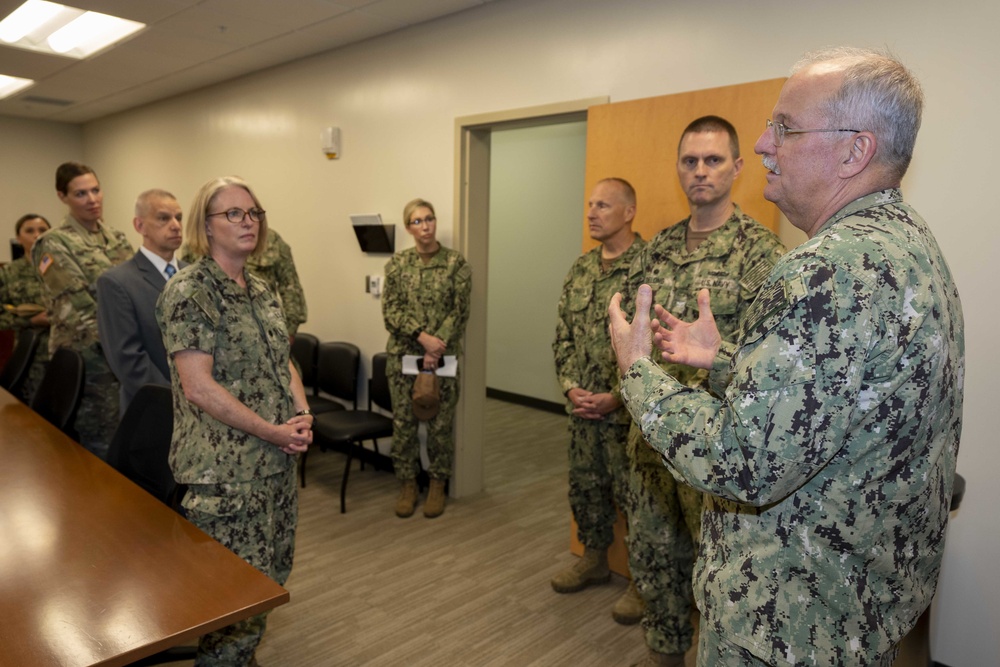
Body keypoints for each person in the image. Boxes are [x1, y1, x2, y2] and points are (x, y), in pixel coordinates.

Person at [608, 47, 964, 667]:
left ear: (855, 151)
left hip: (788, 622)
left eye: (785, 128)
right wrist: (726, 362)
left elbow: (741, 459)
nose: (763, 143)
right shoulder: (906, 245)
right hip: (854, 612)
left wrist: (638, 371)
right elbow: (830, 401)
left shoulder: (825, 269)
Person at [620, 116, 785, 667]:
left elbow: (768, 365)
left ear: (737, 167)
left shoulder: (762, 254)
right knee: (651, 558)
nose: (700, 171)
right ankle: (663, 652)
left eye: (713, 160)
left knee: (717, 572)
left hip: (714, 447)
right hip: (649, 440)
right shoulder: (657, 247)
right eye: (690, 161)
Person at [157, 175, 312, 665]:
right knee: (229, 603)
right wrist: (274, 432)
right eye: (234, 214)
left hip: (275, 465)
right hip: (226, 477)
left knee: (267, 580)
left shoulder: (262, 288)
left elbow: (283, 360)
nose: (248, 222)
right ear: (206, 224)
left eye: (254, 213)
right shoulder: (191, 290)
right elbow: (198, 386)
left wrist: (302, 412)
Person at [550, 177, 646, 624]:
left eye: (603, 205)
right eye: (590, 204)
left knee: (637, 498)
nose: (592, 212)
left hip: (628, 416)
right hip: (583, 411)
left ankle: (644, 585)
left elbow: (656, 345)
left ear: (628, 212)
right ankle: (593, 558)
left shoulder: (649, 267)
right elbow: (563, 335)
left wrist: (616, 397)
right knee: (586, 487)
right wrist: (571, 387)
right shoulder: (580, 268)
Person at [33, 162, 133, 458]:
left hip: (123, 356)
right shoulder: (52, 243)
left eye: (95, 190)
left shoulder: (117, 238)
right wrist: (123, 344)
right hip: (89, 359)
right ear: (62, 196)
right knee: (98, 441)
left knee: (127, 434)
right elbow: (76, 306)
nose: (92, 199)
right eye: (80, 194)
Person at [382, 198, 471, 519]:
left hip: (444, 358)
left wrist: (436, 347)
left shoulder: (455, 264)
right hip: (403, 356)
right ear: (409, 227)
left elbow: (459, 311)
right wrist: (422, 337)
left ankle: (436, 485)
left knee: (440, 426)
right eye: (417, 221)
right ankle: (408, 484)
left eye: (429, 219)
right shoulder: (397, 265)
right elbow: (391, 311)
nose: (425, 226)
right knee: (404, 425)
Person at [97, 189, 185, 417]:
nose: (175, 225)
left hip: (209, 415)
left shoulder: (195, 275)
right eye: (163, 218)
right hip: (155, 410)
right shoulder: (117, 282)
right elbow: (128, 360)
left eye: (179, 217)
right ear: (140, 226)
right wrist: (182, 401)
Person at [183, 227, 308, 341]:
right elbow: (188, 293)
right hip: (217, 340)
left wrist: (286, 336)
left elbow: (291, 290)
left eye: (253, 212)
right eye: (233, 213)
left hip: (267, 337)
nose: (246, 220)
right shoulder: (197, 243)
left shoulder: (272, 241)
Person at [0, 213, 52, 401]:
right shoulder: (8, 273)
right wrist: (29, 320)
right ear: (19, 238)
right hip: (31, 355)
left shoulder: (65, 268)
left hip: (69, 352)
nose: (37, 235)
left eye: (42, 230)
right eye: (29, 231)